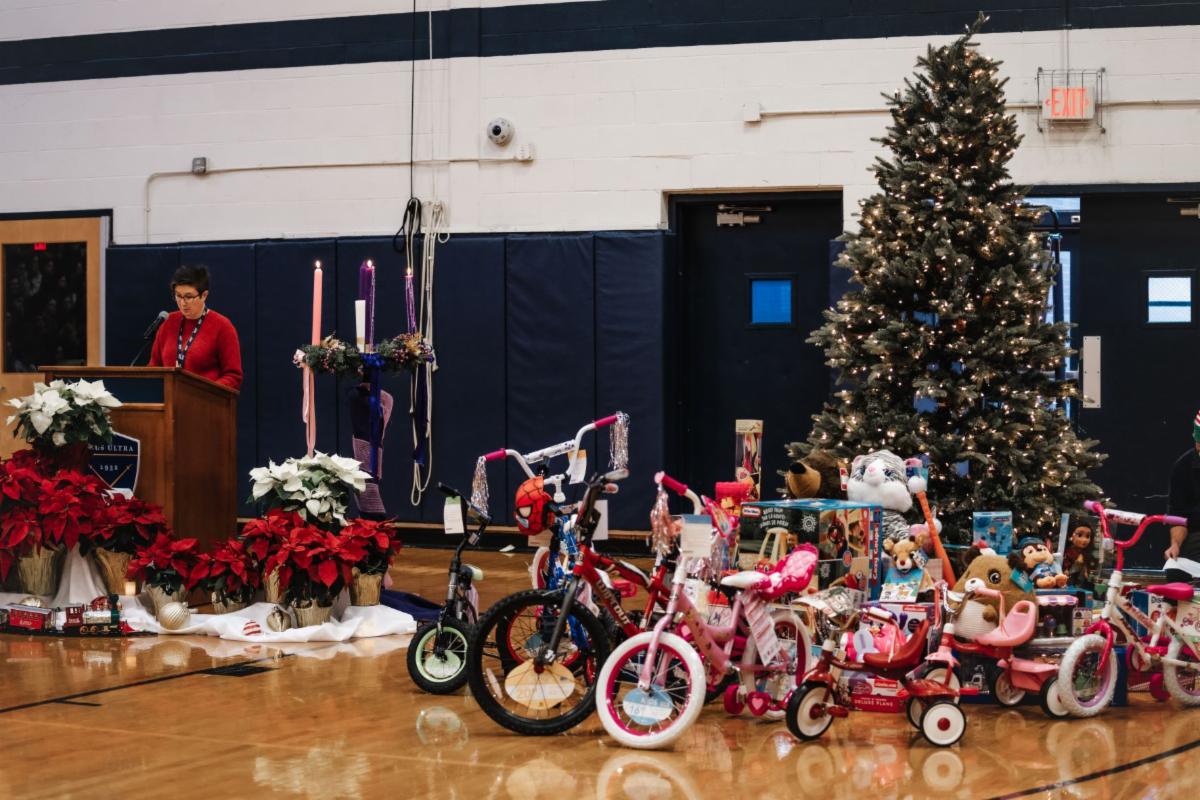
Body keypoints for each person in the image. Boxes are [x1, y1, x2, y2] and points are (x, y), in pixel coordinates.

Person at [148, 265, 243, 390]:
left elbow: (233, 376)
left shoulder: (223, 327)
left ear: (204, 295)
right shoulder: (167, 322)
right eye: (178, 296)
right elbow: (154, 368)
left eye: (189, 297)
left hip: (205, 399)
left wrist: (205, 392)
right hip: (168, 398)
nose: (183, 303)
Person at [1164, 410, 1200, 583]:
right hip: (1196, 533)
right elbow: (1178, 516)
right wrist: (1175, 545)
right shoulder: (1183, 466)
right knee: (1176, 571)